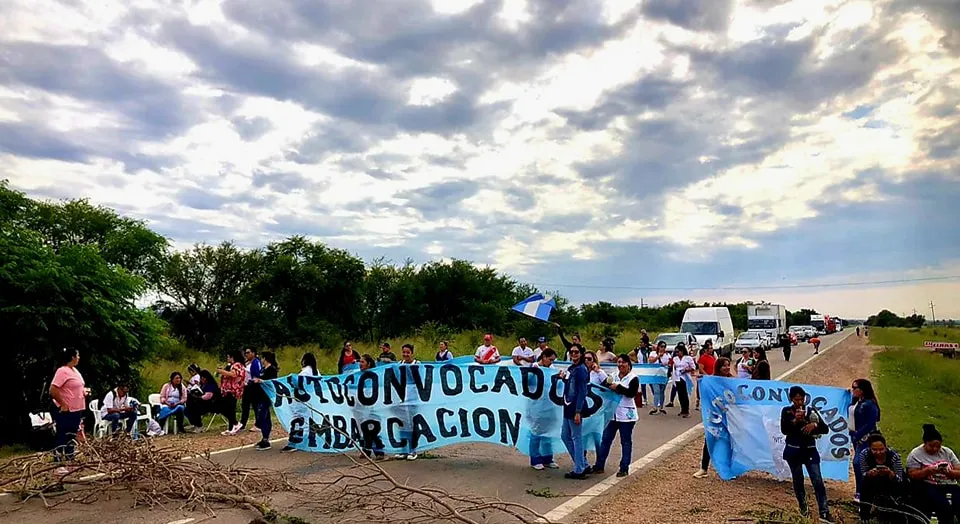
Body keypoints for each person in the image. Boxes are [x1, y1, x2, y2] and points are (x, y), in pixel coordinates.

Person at [780, 386, 832, 522]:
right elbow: (784, 430)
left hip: (809, 451)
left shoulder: (811, 411)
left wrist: (814, 425)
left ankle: (824, 511)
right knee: (798, 482)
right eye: (796, 399)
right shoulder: (786, 411)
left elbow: (825, 429)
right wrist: (795, 420)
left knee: (818, 481)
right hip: (793, 451)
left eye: (802, 399)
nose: (799, 402)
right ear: (791, 399)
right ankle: (804, 509)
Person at [592, 354, 638, 477]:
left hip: (626, 415)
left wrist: (618, 388)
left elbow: (631, 393)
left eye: (623, 362)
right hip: (612, 414)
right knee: (606, 440)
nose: (621, 365)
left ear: (628, 364)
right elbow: (603, 385)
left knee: (625, 442)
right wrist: (599, 372)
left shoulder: (633, 378)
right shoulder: (613, 376)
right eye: (619, 362)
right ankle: (599, 465)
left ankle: (624, 467)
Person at [907, 424, 960, 522]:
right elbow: (912, 475)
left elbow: (958, 471)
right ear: (925, 443)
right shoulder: (915, 454)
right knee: (943, 506)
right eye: (931, 446)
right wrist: (928, 470)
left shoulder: (947, 452)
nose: (935, 449)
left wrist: (949, 472)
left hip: (950, 483)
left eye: (938, 446)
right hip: (929, 485)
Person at [50, 348, 89, 473]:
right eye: (77, 355)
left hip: (77, 408)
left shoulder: (75, 371)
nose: (79, 357)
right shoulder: (63, 371)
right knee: (63, 434)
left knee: (72, 435)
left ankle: (70, 459)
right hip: (67, 409)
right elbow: (53, 389)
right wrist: (62, 403)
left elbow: (76, 387)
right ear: (72, 357)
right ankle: (58, 462)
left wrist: (84, 391)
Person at [694, 357, 734, 478]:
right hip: (715, 416)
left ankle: (728, 469)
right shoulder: (711, 380)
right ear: (718, 367)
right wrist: (702, 381)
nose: (727, 368)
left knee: (729, 443)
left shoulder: (732, 380)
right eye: (724, 366)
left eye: (728, 365)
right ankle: (703, 468)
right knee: (709, 440)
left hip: (730, 417)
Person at [857, 433, 904, 522]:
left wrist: (890, 473)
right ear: (869, 448)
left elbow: (900, 478)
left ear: (885, 447)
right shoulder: (864, 455)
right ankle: (864, 516)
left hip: (890, 483)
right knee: (865, 486)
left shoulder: (894, 456)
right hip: (872, 481)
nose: (878, 452)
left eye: (881, 449)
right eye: (874, 450)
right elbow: (863, 474)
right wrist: (870, 473)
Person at [560, 344, 589, 479]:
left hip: (575, 407)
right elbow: (569, 385)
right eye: (572, 352)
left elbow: (582, 391)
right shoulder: (572, 368)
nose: (574, 354)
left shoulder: (582, 369)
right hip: (568, 405)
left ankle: (579, 468)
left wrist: (578, 411)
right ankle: (582, 463)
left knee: (576, 437)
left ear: (581, 354)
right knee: (565, 436)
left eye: (576, 352)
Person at [280, 355, 319, 453]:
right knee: (309, 421)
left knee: (297, 421)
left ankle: (294, 443)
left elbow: (298, 383)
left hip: (301, 401)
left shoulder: (305, 372)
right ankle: (310, 441)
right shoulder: (316, 371)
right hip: (311, 400)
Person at [850, 378, 881, 500]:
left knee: (859, 463)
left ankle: (863, 492)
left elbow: (871, 423)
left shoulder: (869, 404)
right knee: (860, 464)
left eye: (855, 388)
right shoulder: (858, 401)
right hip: (856, 437)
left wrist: (858, 435)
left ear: (862, 390)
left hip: (867, 438)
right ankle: (860, 490)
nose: (853, 390)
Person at [529, 348, 560, 470]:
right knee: (536, 432)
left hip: (550, 404)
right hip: (537, 405)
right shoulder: (534, 368)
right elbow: (527, 384)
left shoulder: (552, 369)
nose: (551, 362)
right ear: (544, 357)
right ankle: (535, 459)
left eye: (553, 360)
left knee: (548, 433)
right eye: (550, 359)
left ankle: (548, 458)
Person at [357, 355, 385, 459]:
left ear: (368, 364)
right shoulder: (358, 375)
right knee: (365, 428)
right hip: (364, 406)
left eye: (363, 362)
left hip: (374, 405)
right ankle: (367, 450)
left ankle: (378, 451)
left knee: (374, 428)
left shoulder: (376, 374)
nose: (360, 364)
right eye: (360, 362)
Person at [396, 344, 420, 460]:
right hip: (401, 396)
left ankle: (413, 449)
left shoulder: (417, 364)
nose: (405, 354)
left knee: (412, 423)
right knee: (402, 423)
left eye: (407, 352)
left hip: (413, 396)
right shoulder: (399, 365)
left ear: (412, 353)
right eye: (404, 352)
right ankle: (403, 449)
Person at [251, 351, 279, 451]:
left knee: (262, 415)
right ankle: (264, 437)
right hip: (260, 394)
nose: (261, 360)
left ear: (265, 359)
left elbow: (272, 381)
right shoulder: (263, 369)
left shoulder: (272, 369)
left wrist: (261, 381)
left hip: (266, 396)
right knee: (264, 417)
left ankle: (266, 439)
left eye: (262, 358)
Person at [215, 350, 246, 436]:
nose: (227, 359)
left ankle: (235, 424)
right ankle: (231, 427)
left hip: (232, 390)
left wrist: (221, 371)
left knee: (228, 409)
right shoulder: (232, 366)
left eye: (228, 357)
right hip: (228, 390)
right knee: (230, 409)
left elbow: (233, 374)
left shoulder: (237, 365)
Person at [238, 348, 262, 432]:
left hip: (254, 386)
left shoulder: (256, 362)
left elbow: (258, 374)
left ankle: (258, 424)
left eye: (248, 352)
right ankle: (242, 423)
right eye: (245, 353)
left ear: (253, 353)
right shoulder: (247, 363)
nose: (246, 354)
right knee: (245, 406)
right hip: (247, 386)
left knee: (255, 405)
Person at [671, 344, 696, 418]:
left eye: (678, 352)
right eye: (676, 352)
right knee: (680, 394)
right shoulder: (675, 359)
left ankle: (686, 410)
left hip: (685, 377)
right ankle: (682, 409)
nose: (677, 353)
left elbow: (693, 368)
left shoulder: (688, 358)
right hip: (677, 377)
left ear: (682, 351)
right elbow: (673, 367)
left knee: (685, 395)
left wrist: (686, 370)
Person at [648, 341, 669, 415]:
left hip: (663, 375)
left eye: (664, 347)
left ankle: (661, 407)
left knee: (662, 391)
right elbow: (650, 361)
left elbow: (669, 364)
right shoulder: (653, 353)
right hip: (655, 376)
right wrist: (658, 356)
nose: (662, 348)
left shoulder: (667, 355)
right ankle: (655, 406)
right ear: (658, 347)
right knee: (656, 391)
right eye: (661, 346)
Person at [696, 340, 717, 410]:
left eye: (711, 348)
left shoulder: (712, 357)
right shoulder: (703, 358)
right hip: (706, 378)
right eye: (710, 348)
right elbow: (701, 368)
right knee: (704, 393)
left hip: (712, 377)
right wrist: (707, 376)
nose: (711, 350)